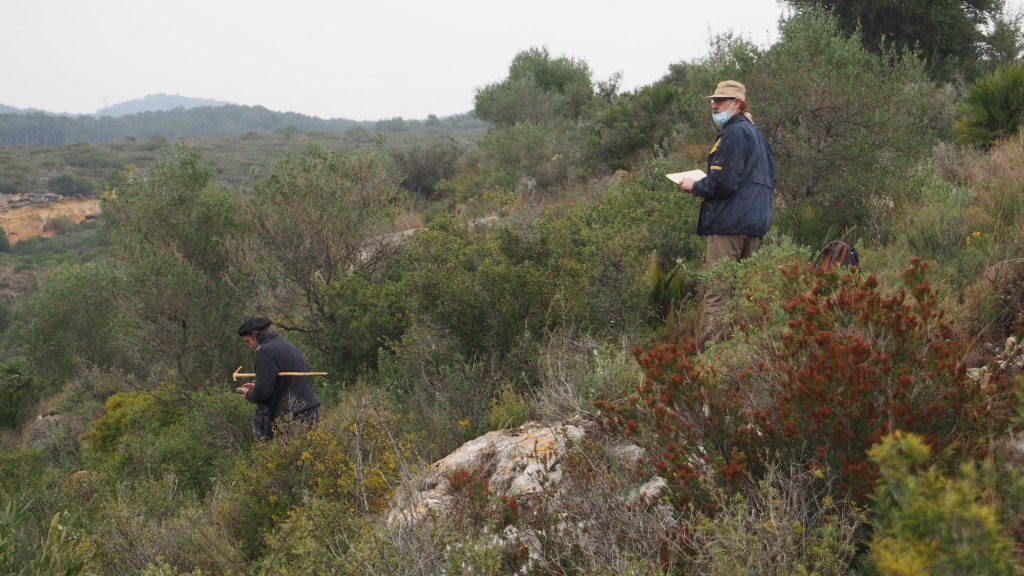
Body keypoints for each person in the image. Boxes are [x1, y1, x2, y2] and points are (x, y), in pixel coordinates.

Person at [678, 80, 776, 350]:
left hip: (729, 226)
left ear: (737, 104)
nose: (713, 104)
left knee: (718, 293)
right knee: (746, 296)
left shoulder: (733, 133)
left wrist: (694, 185)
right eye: (713, 100)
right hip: (755, 227)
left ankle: (711, 362)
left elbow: (724, 182)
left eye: (720, 100)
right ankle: (744, 357)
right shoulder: (759, 138)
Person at [235, 316, 321, 440]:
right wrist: (257, 386)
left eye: (248, 341)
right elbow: (286, 382)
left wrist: (249, 394)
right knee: (312, 455)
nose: (250, 346)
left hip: (293, 416)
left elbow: (262, 393)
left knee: (292, 457)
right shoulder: (288, 346)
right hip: (310, 410)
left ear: (255, 335)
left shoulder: (265, 352)